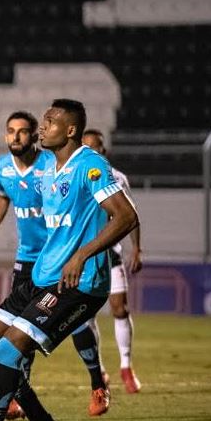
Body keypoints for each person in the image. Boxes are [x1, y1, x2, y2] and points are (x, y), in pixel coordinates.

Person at [0, 99, 139, 421]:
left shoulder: (89, 165)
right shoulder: (49, 169)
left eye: (49, 122)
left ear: (70, 130)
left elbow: (126, 217)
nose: (42, 127)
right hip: (43, 274)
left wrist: (82, 254)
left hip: (79, 282)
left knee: (9, 350)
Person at [82, 128, 143, 394]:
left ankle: (126, 366)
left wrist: (137, 249)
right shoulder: (75, 176)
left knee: (119, 308)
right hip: (84, 257)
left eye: (95, 147)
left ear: (103, 150)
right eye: (86, 147)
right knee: (85, 315)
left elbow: (131, 214)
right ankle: (99, 371)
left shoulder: (117, 178)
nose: (91, 152)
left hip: (111, 254)